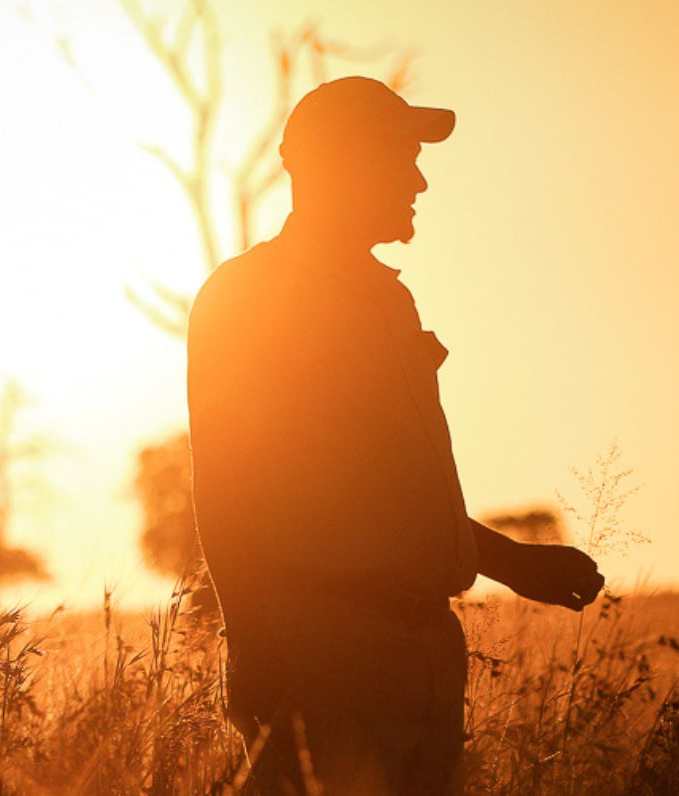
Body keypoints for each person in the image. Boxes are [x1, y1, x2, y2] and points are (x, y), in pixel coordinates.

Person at [186, 76, 607, 794]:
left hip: (424, 653)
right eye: (399, 157)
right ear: (339, 165)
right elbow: (226, 485)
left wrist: (514, 565)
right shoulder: (249, 295)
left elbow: (393, 499)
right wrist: (257, 651)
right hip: (321, 652)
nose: (417, 181)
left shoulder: (388, 297)